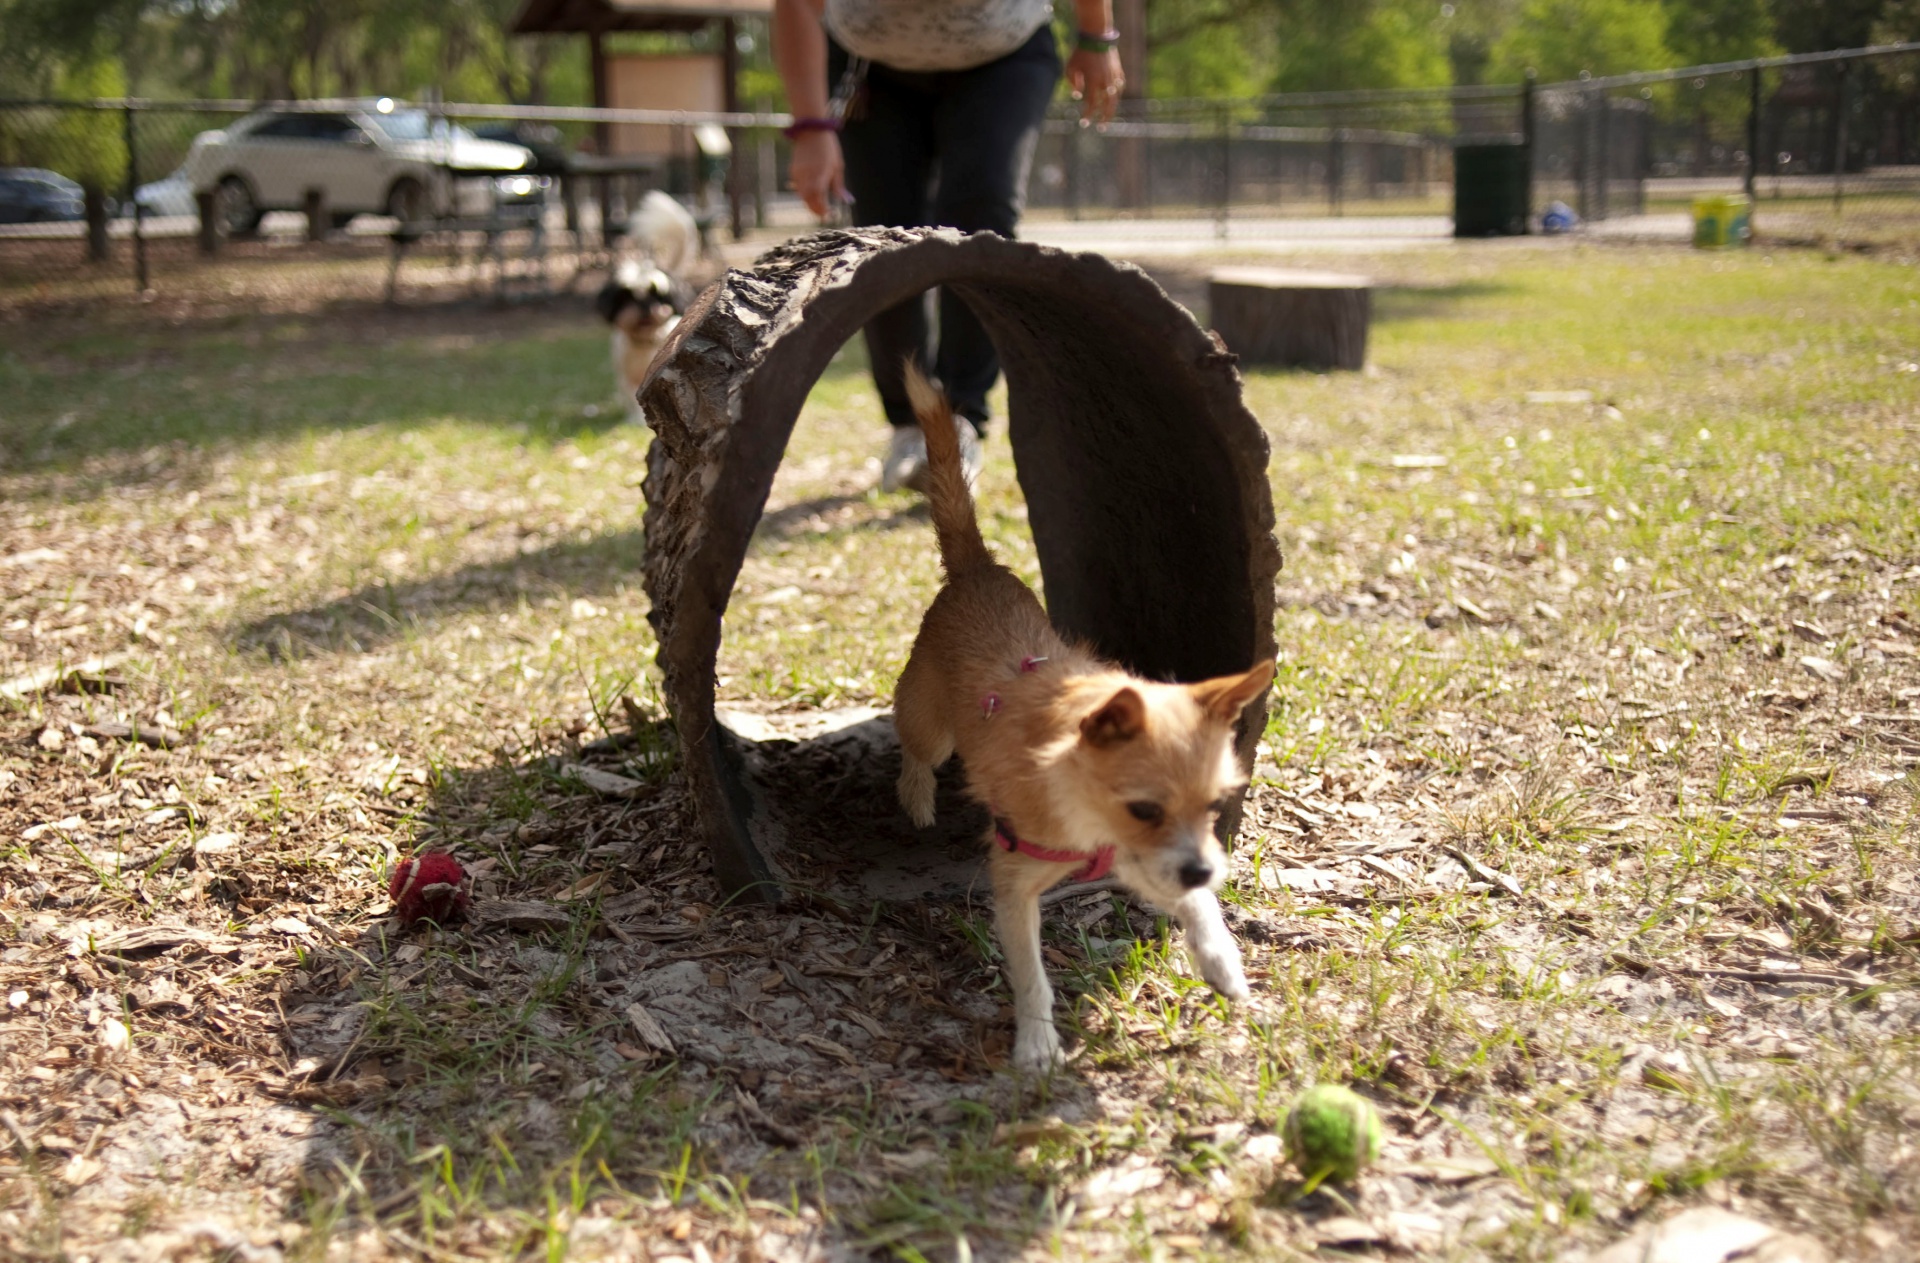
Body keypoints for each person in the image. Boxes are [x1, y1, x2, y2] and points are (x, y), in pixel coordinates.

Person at [772, 0, 1124, 492]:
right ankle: (911, 422)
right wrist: (811, 128)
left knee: (981, 213)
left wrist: (1095, 35)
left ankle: (962, 418)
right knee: (885, 243)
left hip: (1004, 54)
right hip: (869, 65)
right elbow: (795, 6)